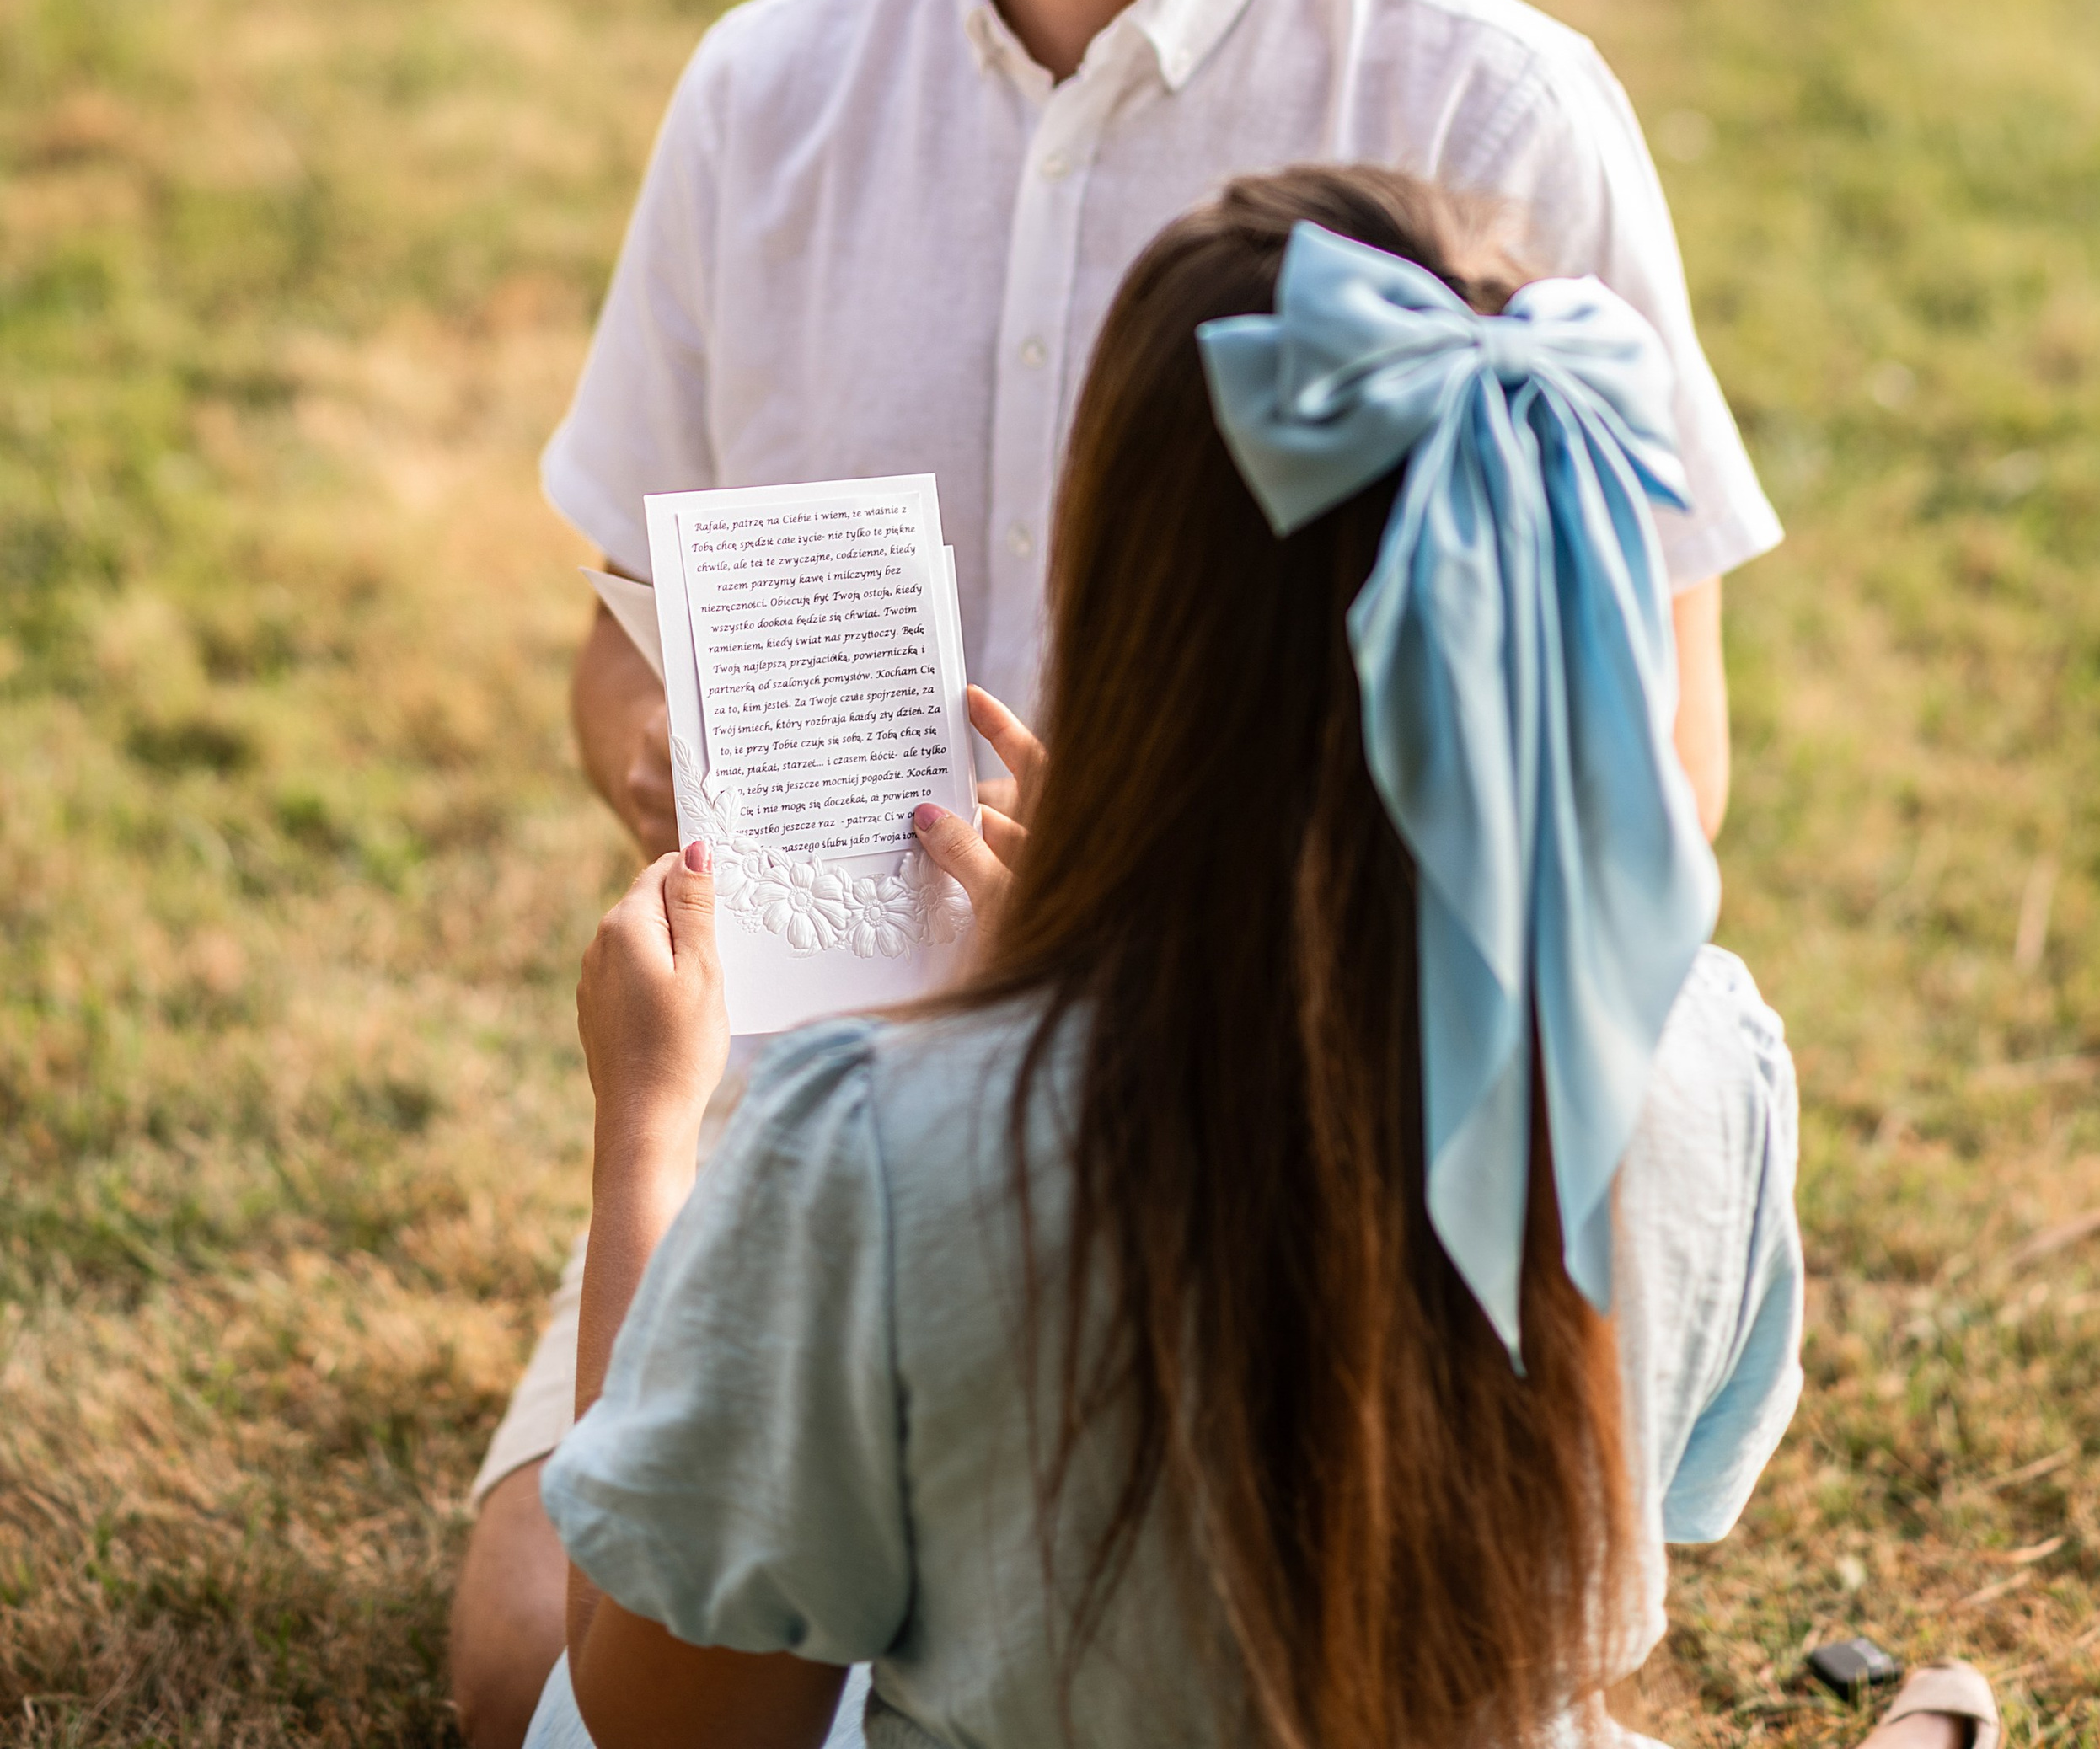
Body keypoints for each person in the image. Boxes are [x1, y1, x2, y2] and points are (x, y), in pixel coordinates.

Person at [448, 0, 1786, 1744]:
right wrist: (691, 776)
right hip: (845, 1079)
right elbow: (617, 652)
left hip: (1329, 1093)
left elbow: (1651, 777)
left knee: (636, 1675)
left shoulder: (1489, 116)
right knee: (513, 1648)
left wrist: (1157, 916)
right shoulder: (765, 94)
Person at [521, 168, 1805, 1749]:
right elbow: (1612, 1529)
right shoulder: (1710, 1056)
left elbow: (662, 1719)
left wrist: (646, 1125)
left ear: (1123, 592)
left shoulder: (874, 1151)